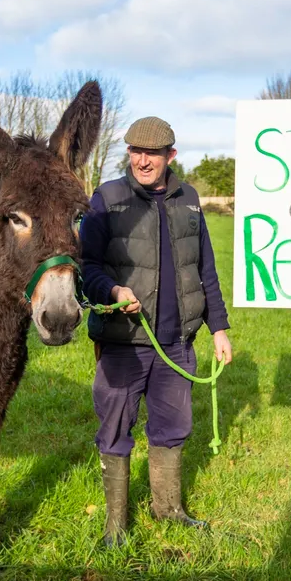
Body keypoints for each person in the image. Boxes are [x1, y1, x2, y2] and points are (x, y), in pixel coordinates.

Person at [80, 116, 233, 547]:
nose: (142, 160)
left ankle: (168, 509)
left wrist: (218, 327)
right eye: (135, 151)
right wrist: (111, 288)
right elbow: (85, 266)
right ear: (128, 153)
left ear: (171, 155)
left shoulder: (189, 199)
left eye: (152, 153)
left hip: (177, 341)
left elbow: (205, 268)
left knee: (174, 426)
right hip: (123, 340)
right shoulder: (107, 199)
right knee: (115, 427)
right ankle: (116, 526)